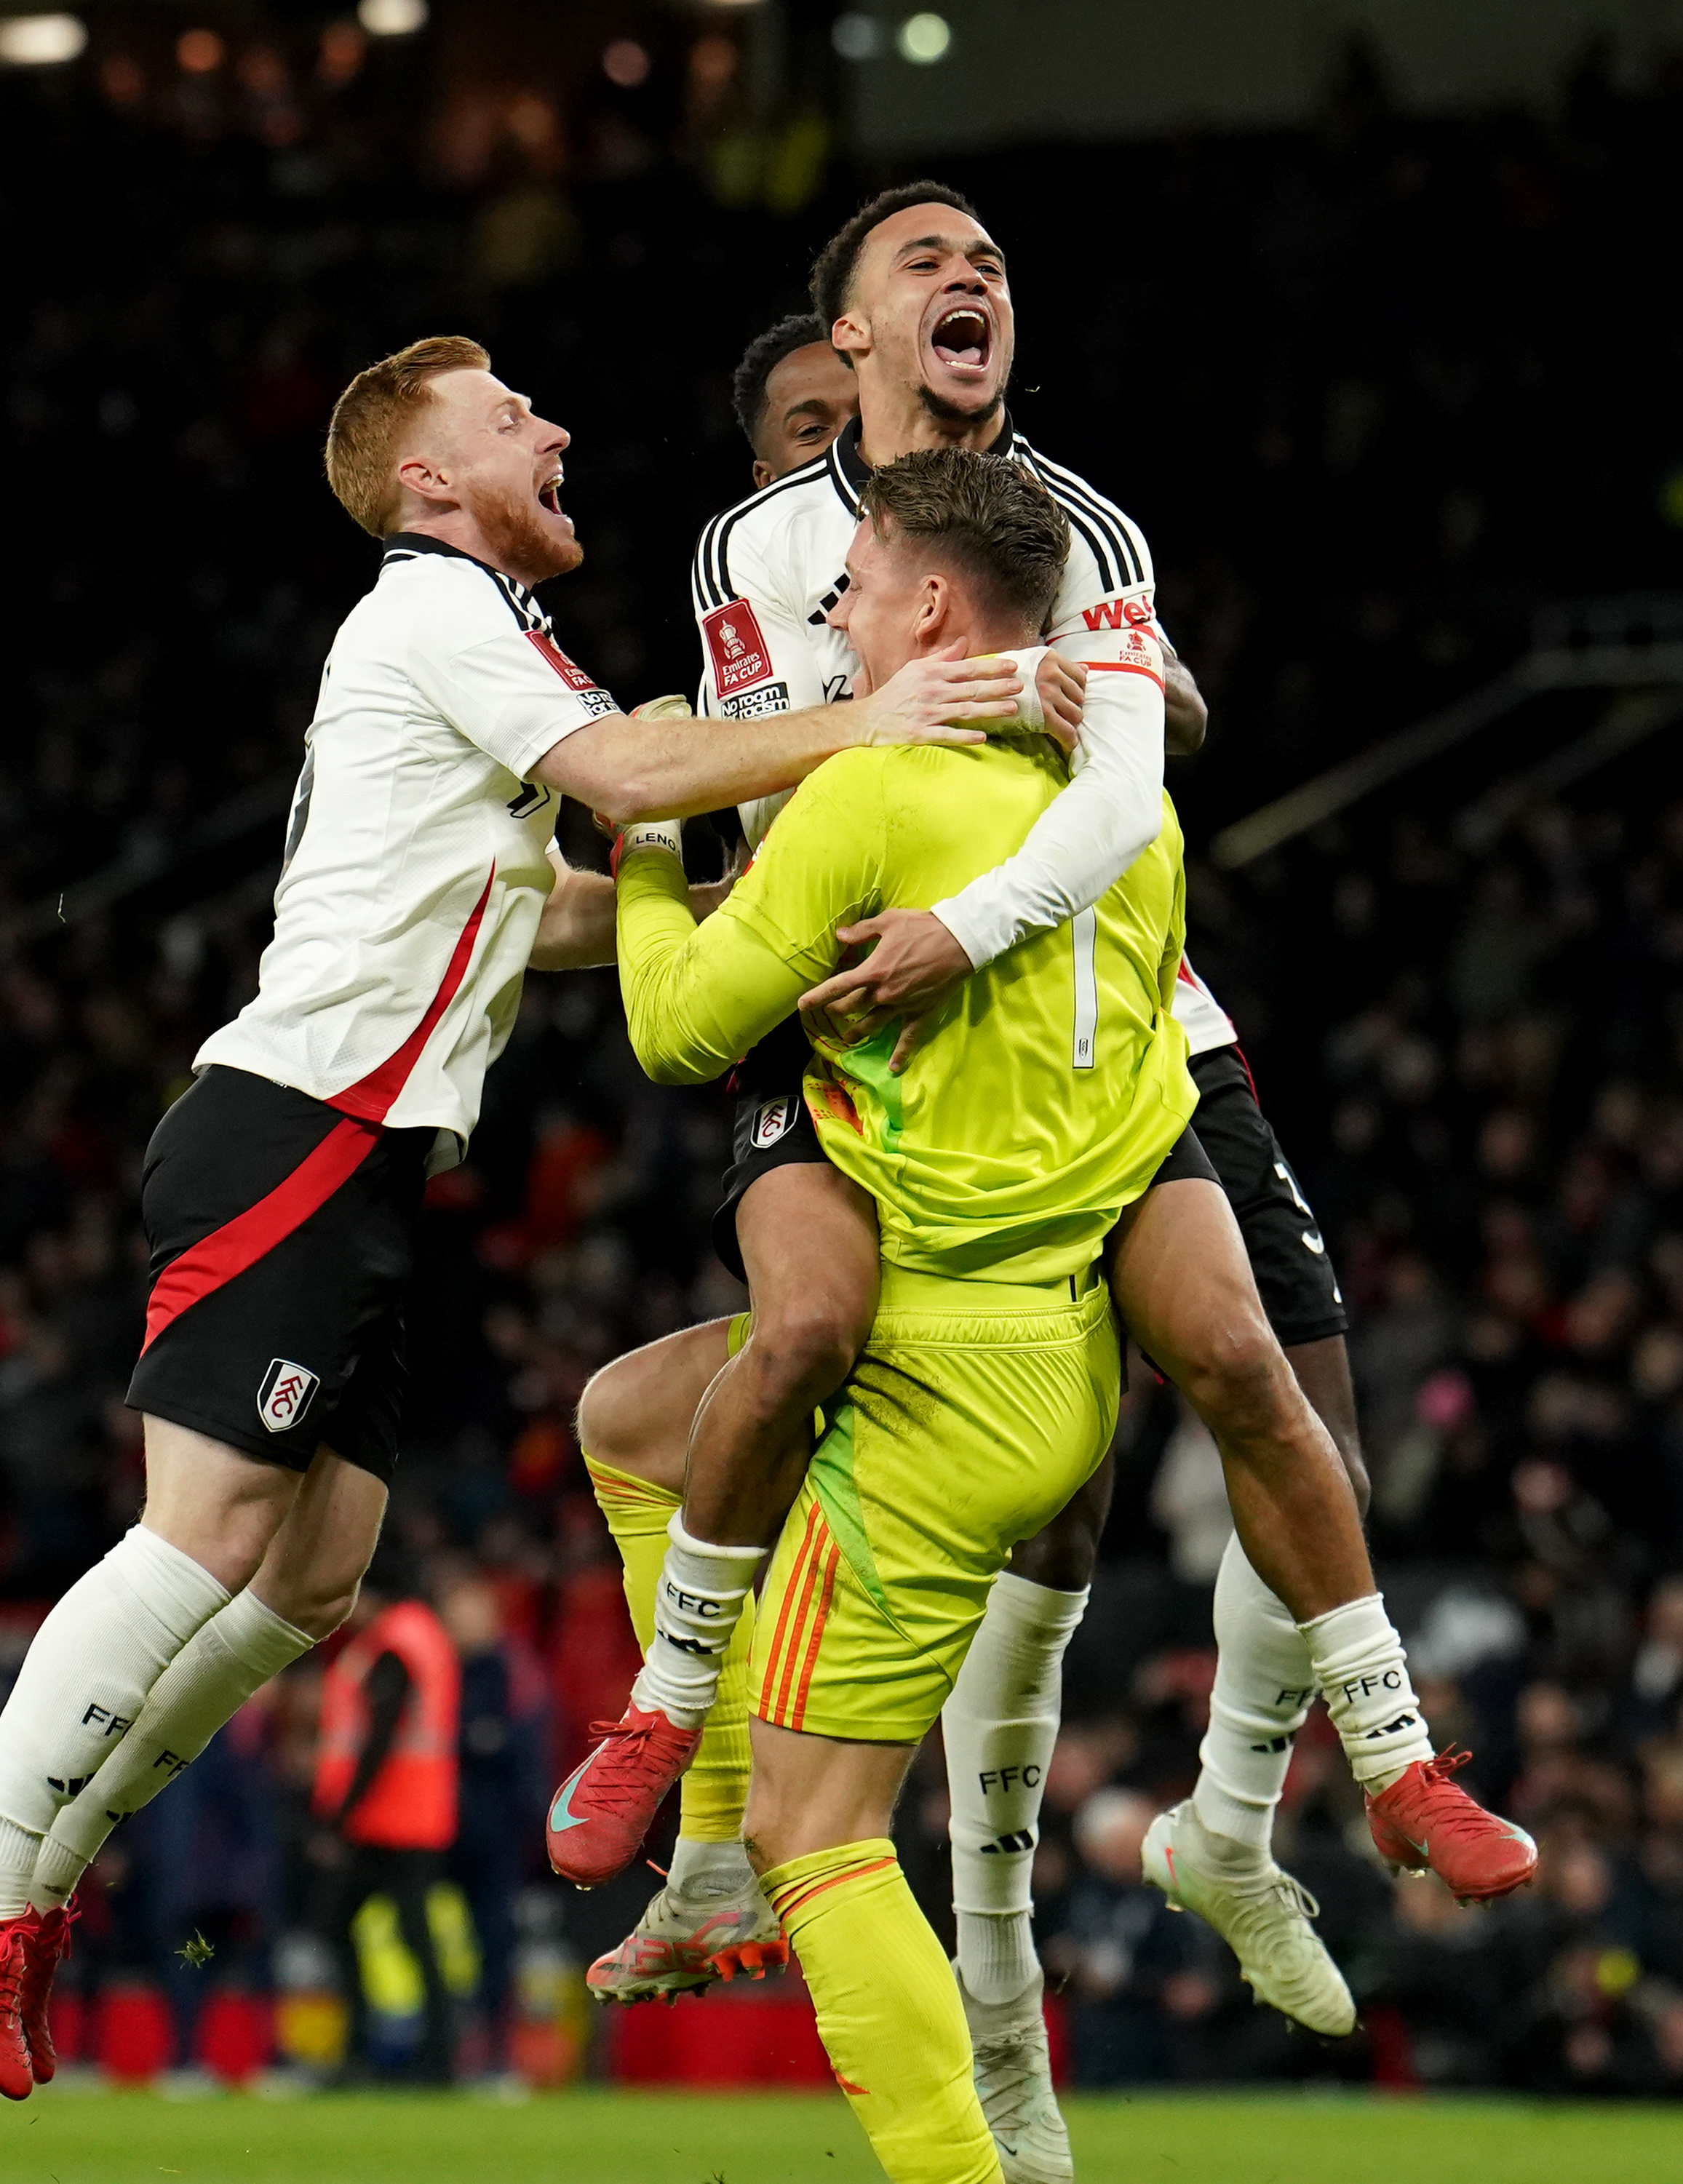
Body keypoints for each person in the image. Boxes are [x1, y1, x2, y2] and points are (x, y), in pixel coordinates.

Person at [559, 190, 1534, 2175]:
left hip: (1091, 1001)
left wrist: (1032, 730)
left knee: (1268, 1392)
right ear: (845, 342)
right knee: (842, 1350)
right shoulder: (763, 549)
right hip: (859, 1009)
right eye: (924, 262)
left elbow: (1150, 743)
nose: (969, 278)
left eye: (987, 257)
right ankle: (712, 1773)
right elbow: (769, 775)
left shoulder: (1086, 531)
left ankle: (1267, 1817)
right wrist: (848, 772)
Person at [0, 332, 1032, 2099]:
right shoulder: (431, 608)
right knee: (208, 1528)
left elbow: (552, 903)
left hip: (372, 1152)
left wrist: (747, 912)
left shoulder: (484, 642)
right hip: (298, 1119)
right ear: (425, 481)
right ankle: (8, 1878)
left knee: (313, 1577)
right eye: (507, 418)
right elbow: (624, 780)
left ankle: (52, 1863)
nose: (555, 427)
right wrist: (868, 719)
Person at [606, 445, 1198, 2184]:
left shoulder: (878, 792)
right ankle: (694, 1820)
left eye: (853, 587)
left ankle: (958, 2165)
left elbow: (678, 1030)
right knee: (635, 1414)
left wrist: (646, 854)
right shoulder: (1126, 820)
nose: (833, 615)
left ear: (937, 607)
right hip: (1063, 1356)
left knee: (829, 1828)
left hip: (930, 1379)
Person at [311, 1545, 461, 2083]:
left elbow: (377, 1737)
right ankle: (430, 2054)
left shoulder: (392, 1645)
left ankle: (376, 2053)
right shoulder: (419, 1635)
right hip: (413, 1815)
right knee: (405, 1933)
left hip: (387, 1820)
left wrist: (338, 1817)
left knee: (345, 1927)